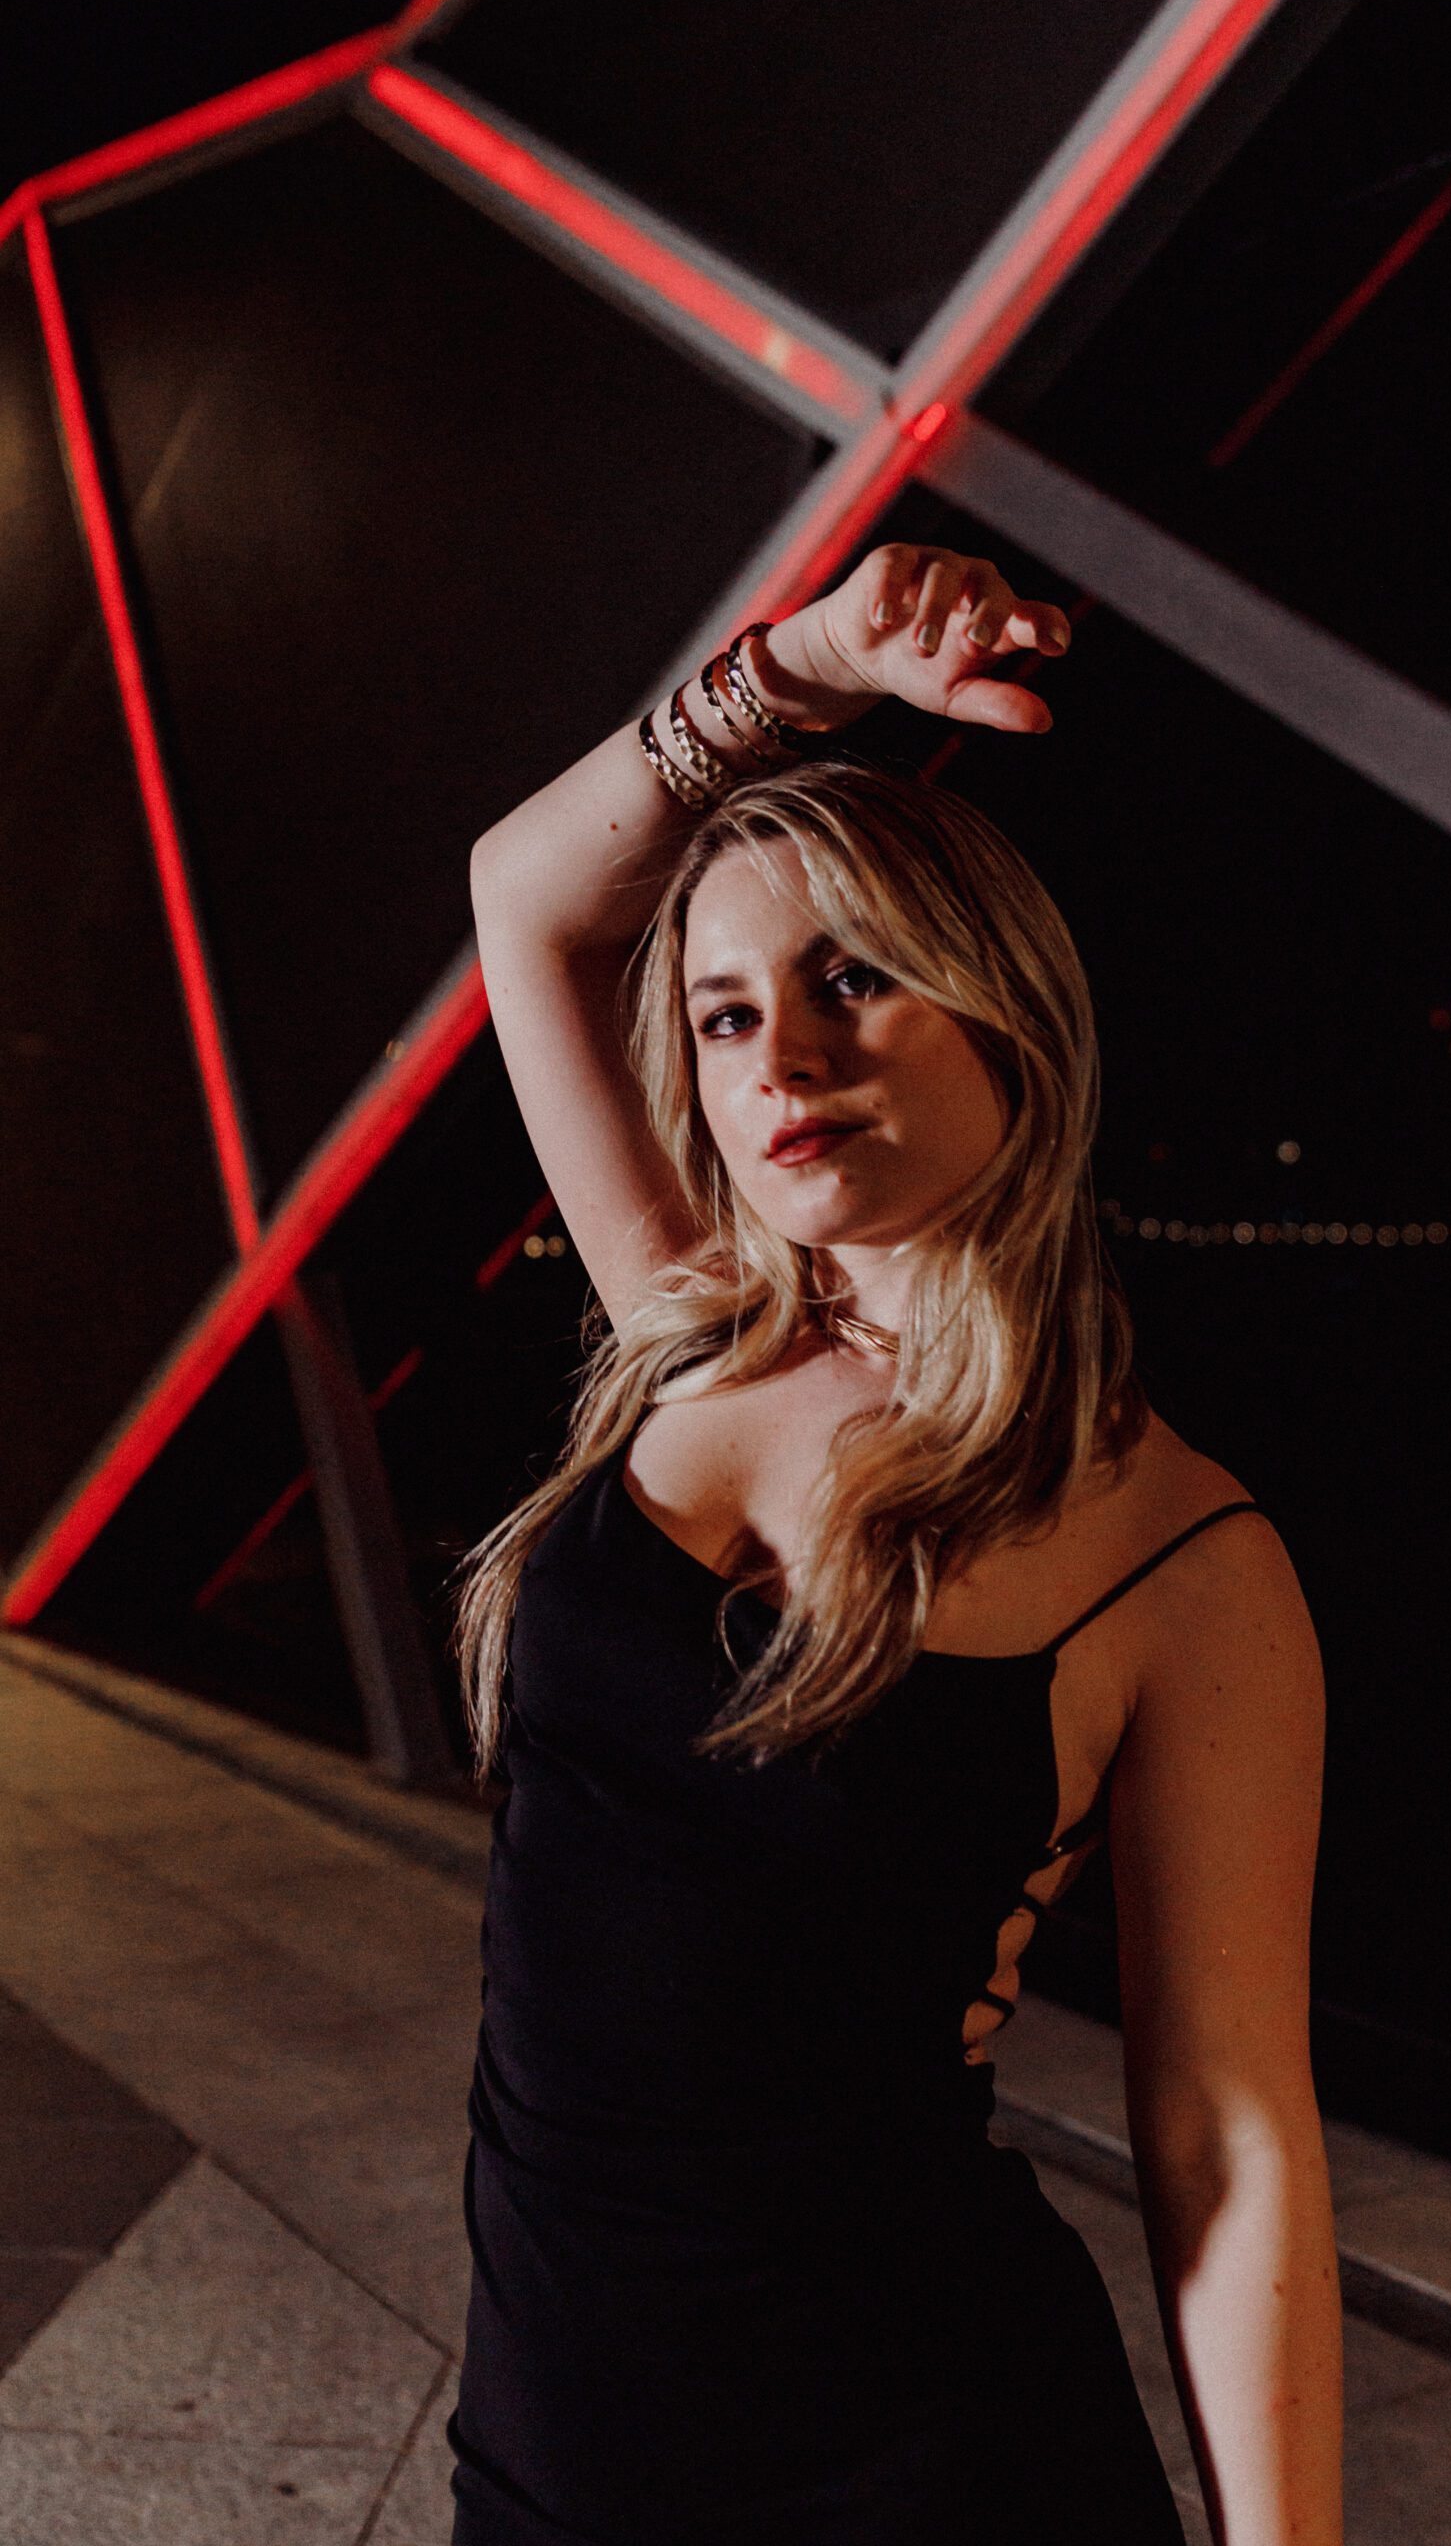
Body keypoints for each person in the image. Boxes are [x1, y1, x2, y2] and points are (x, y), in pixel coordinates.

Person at [446, 543, 1343, 2545]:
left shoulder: (1182, 1555)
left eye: (852, 976)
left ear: (1008, 1008)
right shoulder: (686, 1321)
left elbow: (1227, 2132)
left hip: (925, 2460)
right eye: (726, 1012)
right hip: (552, 2450)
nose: (780, 1058)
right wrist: (805, 664)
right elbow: (525, 894)